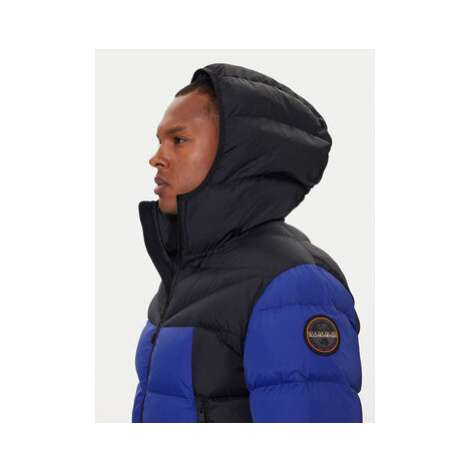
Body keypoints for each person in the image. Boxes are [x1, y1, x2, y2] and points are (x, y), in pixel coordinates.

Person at [132, 63, 362, 423]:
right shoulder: (181, 280)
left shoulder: (293, 284)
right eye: (159, 141)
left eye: (178, 140)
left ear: (232, 157)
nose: (157, 157)